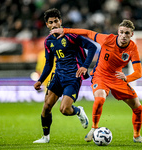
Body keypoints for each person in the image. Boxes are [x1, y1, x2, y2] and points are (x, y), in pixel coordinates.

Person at [50, 19, 142, 143]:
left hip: (117, 78)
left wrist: (127, 78)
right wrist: (65, 30)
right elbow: (87, 33)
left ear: (131, 35)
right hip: (101, 75)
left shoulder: (132, 48)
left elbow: (138, 72)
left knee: (138, 108)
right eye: (122, 32)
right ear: (118, 32)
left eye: (127, 33)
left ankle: (137, 136)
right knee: (100, 98)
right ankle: (94, 128)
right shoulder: (108, 39)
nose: (124, 36)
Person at [33, 8, 99, 143]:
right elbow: (49, 64)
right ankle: (45, 137)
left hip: (73, 77)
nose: (54, 25)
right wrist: (40, 80)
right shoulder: (48, 41)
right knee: (46, 107)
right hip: (58, 76)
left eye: (56, 21)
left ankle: (78, 111)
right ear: (47, 24)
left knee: (64, 109)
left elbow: (92, 47)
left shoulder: (71, 35)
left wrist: (85, 66)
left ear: (60, 21)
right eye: (50, 22)